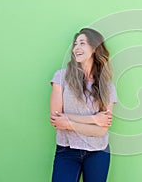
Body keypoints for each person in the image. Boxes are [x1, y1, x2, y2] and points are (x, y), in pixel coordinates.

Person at [49, 28, 117, 182]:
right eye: (75, 44)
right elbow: (56, 120)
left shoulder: (107, 86)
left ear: (94, 48)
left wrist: (68, 121)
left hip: (98, 152)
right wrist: (94, 119)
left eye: (82, 43)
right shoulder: (61, 77)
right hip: (67, 151)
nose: (76, 48)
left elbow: (101, 130)